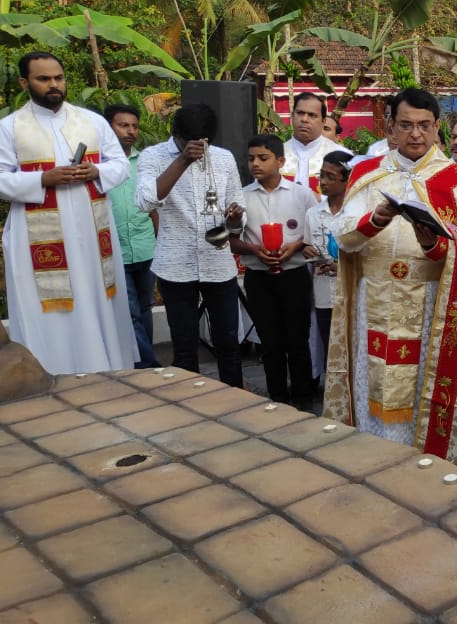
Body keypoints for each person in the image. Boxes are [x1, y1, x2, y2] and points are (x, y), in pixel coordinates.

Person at [323, 88, 457, 471]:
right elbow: (341, 235)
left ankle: (419, 467)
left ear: (437, 127)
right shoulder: (367, 172)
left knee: (419, 389)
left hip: (429, 302)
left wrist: (433, 247)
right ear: (390, 127)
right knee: (371, 382)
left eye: (424, 126)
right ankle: (372, 464)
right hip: (372, 296)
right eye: (406, 125)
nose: (415, 134)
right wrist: (375, 220)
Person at [0, 51, 134, 374]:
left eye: (58, 77)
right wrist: (43, 178)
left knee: (96, 297)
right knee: (49, 309)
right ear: (24, 82)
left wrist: (95, 172)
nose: (54, 85)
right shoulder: (9, 128)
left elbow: (121, 165)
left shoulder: (92, 122)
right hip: (38, 238)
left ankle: (107, 372)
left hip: (91, 233)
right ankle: (52, 373)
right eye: (44, 79)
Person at [137, 104, 245, 386]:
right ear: (175, 133)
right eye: (191, 142)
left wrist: (235, 217)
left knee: (228, 342)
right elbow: (146, 201)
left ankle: (236, 405)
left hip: (217, 262)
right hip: (175, 265)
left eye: (204, 143)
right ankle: (190, 410)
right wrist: (182, 160)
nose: (199, 148)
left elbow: (238, 219)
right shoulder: (153, 156)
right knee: (184, 347)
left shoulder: (223, 158)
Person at [232, 134, 317, 407]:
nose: (255, 163)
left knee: (297, 339)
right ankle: (277, 396)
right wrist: (254, 250)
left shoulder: (302, 195)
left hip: (294, 276)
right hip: (260, 277)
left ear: (280, 161)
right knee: (270, 341)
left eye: (263, 158)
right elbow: (231, 239)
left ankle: (303, 397)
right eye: (250, 158)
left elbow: (315, 233)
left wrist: (294, 246)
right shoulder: (241, 197)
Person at [105, 103, 160, 368]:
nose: (130, 131)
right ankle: (147, 364)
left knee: (146, 307)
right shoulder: (100, 166)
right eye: (123, 125)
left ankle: (141, 358)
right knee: (131, 311)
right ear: (109, 127)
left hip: (145, 247)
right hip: (115, 251)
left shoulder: (145, 163)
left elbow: (155, 208)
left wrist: (161, 246)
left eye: (134, 126)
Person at [306, 150, 352, 390]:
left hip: (351, 295)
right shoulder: (313, 214)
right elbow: (307, 245)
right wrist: (307, 252)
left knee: (352, 347)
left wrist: (340, 266)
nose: (322, 182)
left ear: (347, 180)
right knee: (328, 344)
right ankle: (333, 394)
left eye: (330, 176)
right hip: (324, 294)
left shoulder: (356, 213)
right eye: (321, 175)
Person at [282, 92, 350, 193]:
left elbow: (351, 198)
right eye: (300, 113)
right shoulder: (276, 154)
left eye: (312, 115)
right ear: (292, 116)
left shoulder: (343, 156)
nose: (304, 119)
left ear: (323, 121)